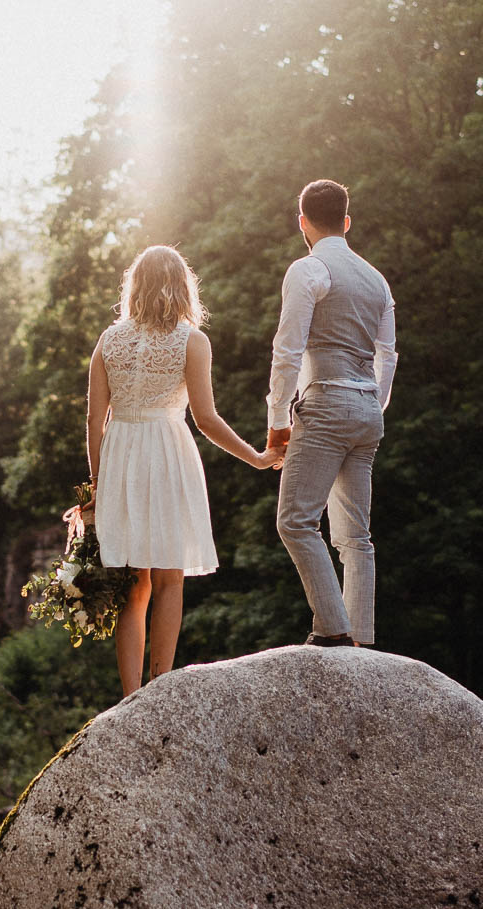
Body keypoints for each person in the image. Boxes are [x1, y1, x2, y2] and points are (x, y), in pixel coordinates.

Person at [85, 244, 284, 696]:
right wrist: (255, 456)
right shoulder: (192, 340)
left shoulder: (108, 340)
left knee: (134, 584)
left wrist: (99, 485)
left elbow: (95, 421)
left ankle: (130, 695)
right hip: (166, 452)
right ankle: (160, 686)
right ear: (182, 287)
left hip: (121, 457)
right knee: (170, 576)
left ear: (135, 285)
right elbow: (206, 420)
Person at [266, 178, 398, 648]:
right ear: (347, 222)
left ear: (302, 222)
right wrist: (373, 403)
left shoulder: (309, 269)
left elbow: (288, 351)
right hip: (367, 411)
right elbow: (389, 354)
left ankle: (333, 630)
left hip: (326, 405)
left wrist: (278, 420)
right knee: (355, 535)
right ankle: (362, 637)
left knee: (295, 521)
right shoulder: (376, 280)